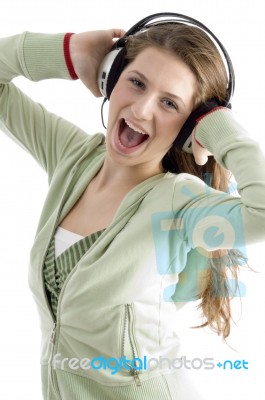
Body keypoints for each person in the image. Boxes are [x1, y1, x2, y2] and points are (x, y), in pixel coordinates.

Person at [1, 13, 265, 400]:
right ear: (111, 77)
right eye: (136, 82)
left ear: (189, 127)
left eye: (170, 103)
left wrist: (217, 127)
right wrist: (69, 52)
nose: (141, 110)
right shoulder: (71, 156)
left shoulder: (178, 201)